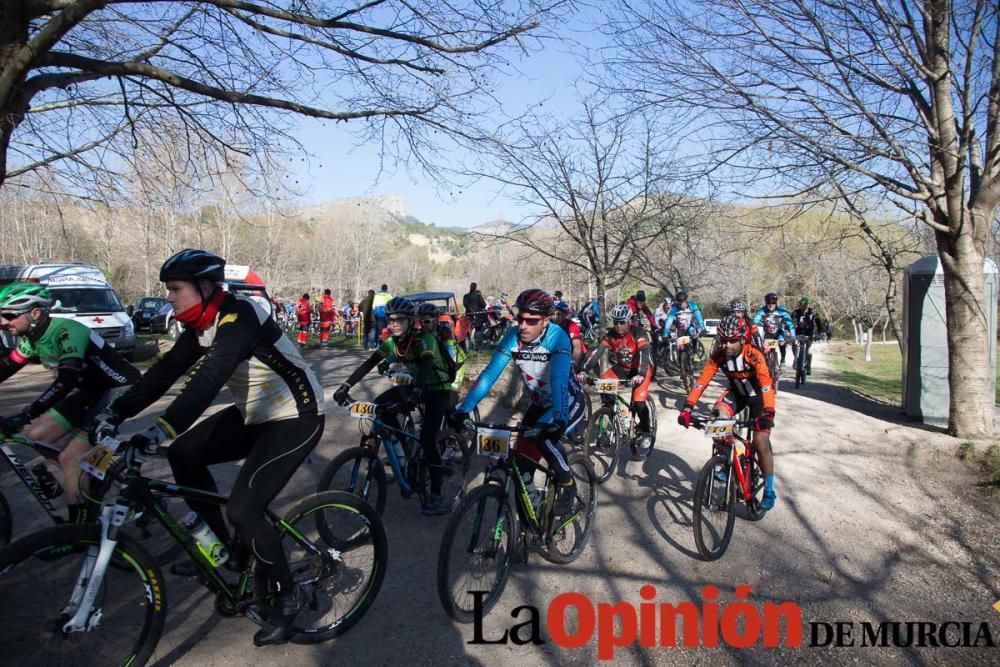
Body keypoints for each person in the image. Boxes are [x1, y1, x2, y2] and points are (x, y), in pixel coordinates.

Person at [98, 249, 326, 646]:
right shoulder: (200, 324)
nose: (169, 297)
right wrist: (115, 413)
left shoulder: (240, 316)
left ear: (205, 287)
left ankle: (287, 596)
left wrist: (161, 428)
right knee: (183, 453)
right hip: (254, 413)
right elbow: (165, 373)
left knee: (244, 510)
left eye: (175, 289)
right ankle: (228, 552)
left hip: (297, 416)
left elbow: (208, 379)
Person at [0, 281, 140, 522]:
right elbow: (4, 368)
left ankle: (78, 529)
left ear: (35, 313)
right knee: (36, 438)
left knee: (70, 458)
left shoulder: (67, 331)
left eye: (9, 315)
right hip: (90, 389)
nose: (3, 322)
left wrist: (27, 412)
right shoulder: (31, 339)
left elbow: (66, 381)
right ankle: (89, 475)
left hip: (120, 389)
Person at [451, 289, 584, 518]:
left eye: (531, 321)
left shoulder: (557, 337)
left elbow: (559, 380)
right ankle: (524, 536)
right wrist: (463, 409)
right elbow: (489, 376)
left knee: (544, 438)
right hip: (540, 403)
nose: (523, 326)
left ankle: (567, 483)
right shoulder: (513, 336)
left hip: (566, 401)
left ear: (546, 320)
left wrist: (560, 419)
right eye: (520, 319)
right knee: (522, 470)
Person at [332, 297, 454, 516]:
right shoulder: (392, 342)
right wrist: (345, 386)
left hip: (438, 388)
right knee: (380, 405)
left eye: (399, 320)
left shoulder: (425, 339)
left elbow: (426, 365)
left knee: (427, 439)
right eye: (390, 320)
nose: (393, 324)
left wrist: (416, 393)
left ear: (410, 321)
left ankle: (436, 491)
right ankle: (404, 448)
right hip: (417, 386)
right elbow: (369, 363)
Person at [677, 314, 778, 510]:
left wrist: (768, 413)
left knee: (759, 442)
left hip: (758, 398)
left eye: (732, 341)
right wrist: (688, 407)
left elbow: (766, 385)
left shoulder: (754, 355)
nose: (727, 345)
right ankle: (728, 457)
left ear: (742, 339)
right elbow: (702, 381)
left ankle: (769, 489)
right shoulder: (718, 355)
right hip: (737, 394)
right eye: (724, 341)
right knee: (717, 418)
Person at [579, 303, 654, 451]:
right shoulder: (610, 335)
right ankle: (613, 418)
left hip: (641, 369)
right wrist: (584, 370)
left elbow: (644, 353)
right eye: (616, 322)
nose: (618, 326)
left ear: (629, 321)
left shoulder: (638, 333)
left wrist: (640, 374)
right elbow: (597, 353)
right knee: (603, 386)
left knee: (639, 403)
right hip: (622, 368)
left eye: (622, 322)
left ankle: (646, 432)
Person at [416, 302, 467, 403]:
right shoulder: (422, 334)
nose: (423, 325)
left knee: (447, 402)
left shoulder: (445, 332)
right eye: (420, 322)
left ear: (435, 320)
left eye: (426, 321)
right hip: (441, 364)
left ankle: (457, 416)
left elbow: (451, 358)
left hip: (457, 365)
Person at [753, 293, 796, 365]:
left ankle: (783, 360)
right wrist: (754, 327)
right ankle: (767, 362)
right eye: (768, 302)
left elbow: (789, 322)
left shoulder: (781, 310)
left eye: (773, 303)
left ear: (776, 302)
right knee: (765, 349)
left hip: (778, 332)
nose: (771, 305)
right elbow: (755, 320)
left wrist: (792, 333)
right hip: (767, 333)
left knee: (781, 343)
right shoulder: (762, 310)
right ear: (766, 303)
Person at [551, 299, 586, 369]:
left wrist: (572, 362)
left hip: (577, 353)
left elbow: (577, 348)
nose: (554, 317)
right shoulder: (549, 324)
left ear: (565, 315)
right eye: (552, 314)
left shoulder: (571, 325)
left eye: (558, 314)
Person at [792, 296, 821, 374]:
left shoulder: (813, 312)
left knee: (809, 348)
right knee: (794, 343)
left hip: (809, 332)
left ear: (809, 304)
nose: (805, 306)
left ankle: (808, 366)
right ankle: (796, 359)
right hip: (799, 331)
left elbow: (818, 322)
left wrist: (820, 331)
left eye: (807, 304)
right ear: (800, 304)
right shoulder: (795, 312)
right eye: (803, 304)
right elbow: (790, 321)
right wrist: (788, 329)